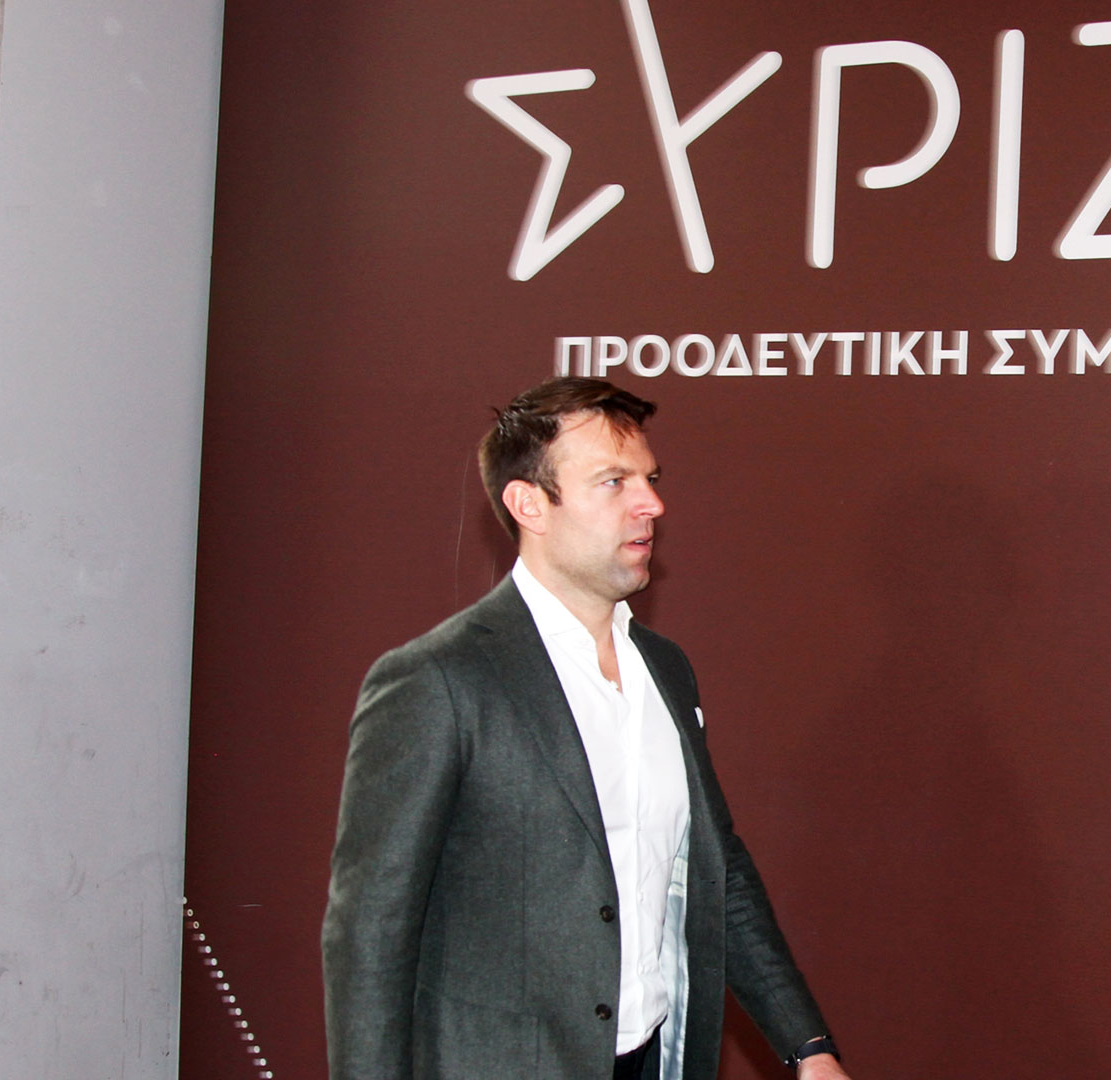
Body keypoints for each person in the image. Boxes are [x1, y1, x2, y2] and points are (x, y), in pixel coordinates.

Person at [322, 377, 849, 1080]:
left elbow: (715, 868)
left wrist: (808, 1048)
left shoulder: (665, 669)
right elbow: (370, 934)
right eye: (614, 481)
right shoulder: (438, 680)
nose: (651, 503)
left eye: (650, 479)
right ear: (530, 504)